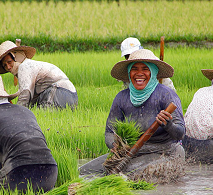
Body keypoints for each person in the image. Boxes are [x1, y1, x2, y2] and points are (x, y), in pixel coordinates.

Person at [79, 49, 185, 184]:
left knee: (131, 176)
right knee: (85, 172)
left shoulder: (166, 95)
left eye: (145, 69)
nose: (139, 73)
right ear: (129, 73)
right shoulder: (122, 98)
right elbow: (109, 132)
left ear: (152, 72)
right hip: (131, 152)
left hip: (164, 152)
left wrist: (169, 124)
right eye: (134, 69)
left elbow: (180, 134)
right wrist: (117, 146)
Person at [0, 40, 78, 109]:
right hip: (71, 95)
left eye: (9, 62)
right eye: (5, 65)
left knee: (44, 117)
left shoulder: (25, 66)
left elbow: (25, 93)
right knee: (35, 112)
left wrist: (16, 113)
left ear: (16, 57)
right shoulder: (29, 66)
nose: (8, 67)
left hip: (58, 92)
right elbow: (31, 99)